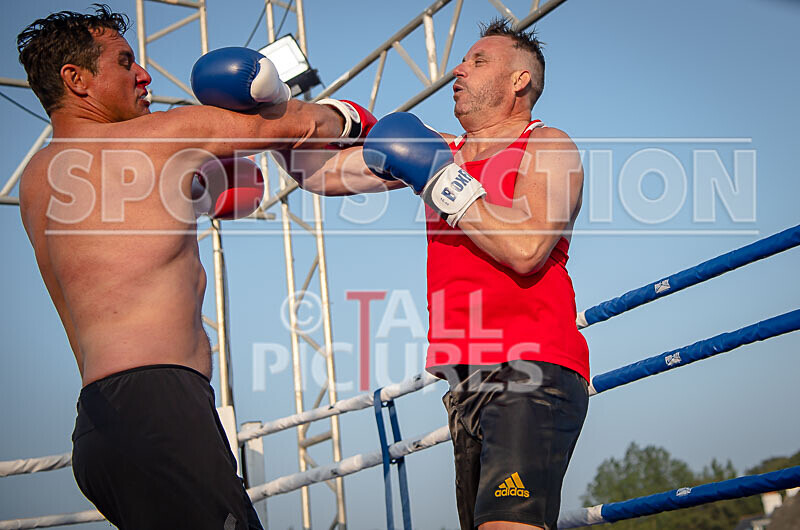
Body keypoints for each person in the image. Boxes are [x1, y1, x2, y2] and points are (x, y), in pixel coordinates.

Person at [16, 5, 373, 529]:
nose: (145, 75)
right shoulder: (164, 135)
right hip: (161, 410)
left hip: (97, 424)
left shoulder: (37, 180)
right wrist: (352, 115)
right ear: (77, 79)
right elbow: (300, 125)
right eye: (125, 61)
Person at [286, 19, 589, 530]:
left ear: (519, 80)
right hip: (463, 380)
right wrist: (271, 108)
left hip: (529, 367)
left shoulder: (548, 145)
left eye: (477, 61)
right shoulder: (440, 149)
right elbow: (315, 174)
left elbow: (527, 246)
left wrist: (441, 181)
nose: (458, 69)